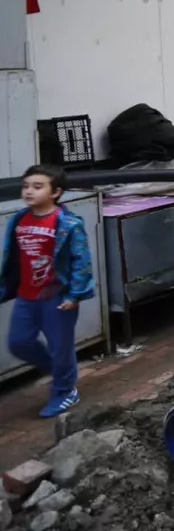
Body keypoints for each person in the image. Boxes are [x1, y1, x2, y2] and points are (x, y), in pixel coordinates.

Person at [1, 164, 94, 418]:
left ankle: (65, 390)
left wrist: (75, 295)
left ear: (56, 192)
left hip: (56, 299)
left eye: (37, 186)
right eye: (26, 186)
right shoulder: (18, 219)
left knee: (60, 348)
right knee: (18, 342)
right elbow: (11, 258)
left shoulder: (68, 224)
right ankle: (57, 369)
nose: (29, 191)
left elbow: (81, 261)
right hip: (26, 296)